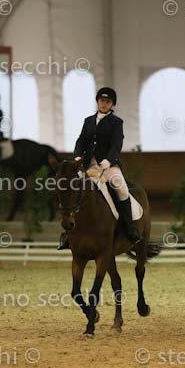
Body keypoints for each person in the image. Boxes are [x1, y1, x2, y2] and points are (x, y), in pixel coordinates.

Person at [57, 87, 142, 250]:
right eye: (102, 100)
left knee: (121, 188)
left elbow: (116, 145)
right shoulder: (88, 121)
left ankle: (129, 228)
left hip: (108, 166)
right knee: (72, 188)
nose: (104, 103)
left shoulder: (116, 122)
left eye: (108, 101)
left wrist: (108, 161)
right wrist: (77, 156)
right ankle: (68, 234)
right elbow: (81, 140)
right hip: (88, 165)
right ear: (98, 101)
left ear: (112, 104)